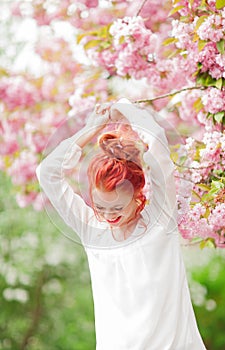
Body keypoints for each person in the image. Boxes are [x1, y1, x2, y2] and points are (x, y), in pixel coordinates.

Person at [36, 98, 207, 350]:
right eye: (100, 206)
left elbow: (157, 142)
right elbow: (46, 172)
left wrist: (124, 108)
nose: (108, 215)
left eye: (118, 207)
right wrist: (91, 128)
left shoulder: (160, 219)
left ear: (138, 196)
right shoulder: (92, 232)